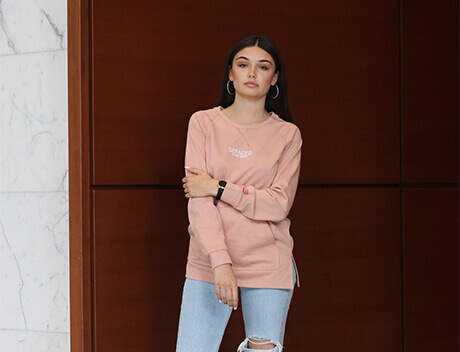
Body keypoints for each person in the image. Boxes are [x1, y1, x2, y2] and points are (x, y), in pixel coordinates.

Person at [176, 34, 303, 352]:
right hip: (209, 261)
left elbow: (278, 204)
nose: (252, 72)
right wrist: (220, 262)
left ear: (274, 79)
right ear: (230, 73)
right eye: (243, 64)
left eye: (263, 67)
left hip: (267, 262)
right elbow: (199, 201)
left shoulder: (287, 134)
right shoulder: (203, 123)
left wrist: (218, 186)